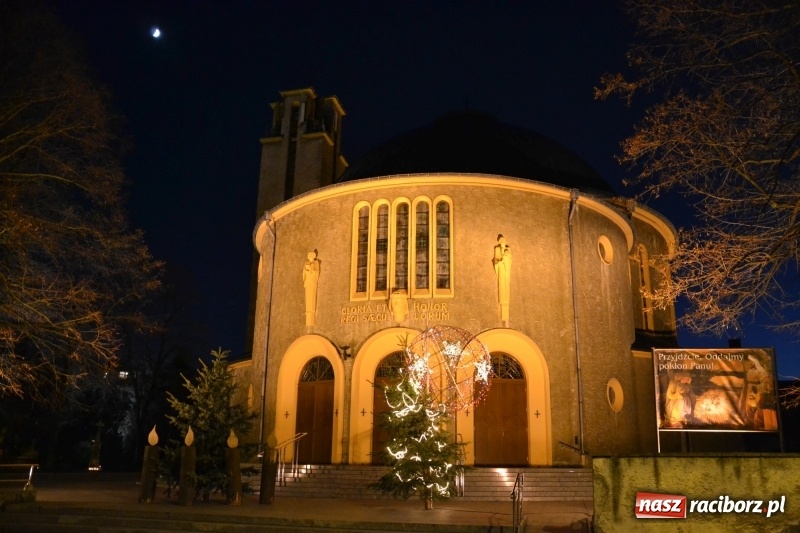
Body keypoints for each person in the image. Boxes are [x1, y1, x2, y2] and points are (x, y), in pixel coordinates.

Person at [492, 234, 512, 321]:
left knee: (506, 286)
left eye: (504, 240)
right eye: (501, 240)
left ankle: (505, 304)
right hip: (500, 270)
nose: (503, 242)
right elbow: (496, 260)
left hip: (506, 271)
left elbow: (509, 260)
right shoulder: (497, 249)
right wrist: (498, 263)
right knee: (501, 286)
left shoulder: (508, 250)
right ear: (499, 242)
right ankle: (502, 302)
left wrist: (505, 258)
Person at [303, 251, 320, 326]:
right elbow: (304, 274)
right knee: (308, 296)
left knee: (312, 296)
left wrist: (311, 270)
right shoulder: (306, 263)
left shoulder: (316, 263)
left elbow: (316, 273)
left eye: (311, 256)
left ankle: (311, 312)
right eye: (309, 256)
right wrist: (307, 270)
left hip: (312, 282)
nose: (309, 257)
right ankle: (308, 311)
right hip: (308, 282)